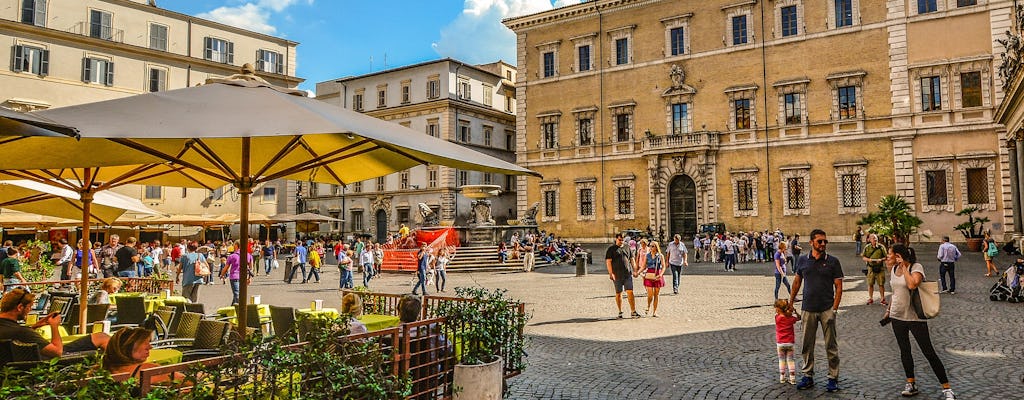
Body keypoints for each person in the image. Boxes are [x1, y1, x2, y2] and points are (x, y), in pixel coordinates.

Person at [885, 244, 958, 400]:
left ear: (898, 256)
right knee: (904, 351)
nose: (887, 257)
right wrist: (888, 310)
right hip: (897, 316)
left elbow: (912, 284)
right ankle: (911, 383)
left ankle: (947, 388)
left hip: (915, 317)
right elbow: (895, 292)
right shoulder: (892, 270)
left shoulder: (916, 267)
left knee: (928, 352)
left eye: (889, 254)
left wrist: (904, 266)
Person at [789, 229, 843, 392]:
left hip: (827, 308)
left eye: (825, 241)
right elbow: (797, 282)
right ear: (811, 242)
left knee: (831, 345)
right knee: (807, 344)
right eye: (820, 241)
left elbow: (839, 287)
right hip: (808, 308)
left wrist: (834, 309)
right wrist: (791, 302)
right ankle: (807, 375)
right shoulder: (803, 260)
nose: (823, 244)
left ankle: (833, 377)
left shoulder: (833, 261)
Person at [0, 288, 109, 359]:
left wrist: (35, 326)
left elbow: (18, 333)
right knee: (101, 337)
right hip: (51, 363)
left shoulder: (13, 329)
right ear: (20, 307)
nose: (29, 311)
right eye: (29, 308)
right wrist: (54, 326)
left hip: (14, 368)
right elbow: (57, 352)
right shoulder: (22, 332)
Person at [102, 327, 179, 383]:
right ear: (128, 346)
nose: (150, 347)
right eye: (145, 343)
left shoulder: (100, 371)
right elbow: (187, 381)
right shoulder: (147, 370)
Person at [606, 233, 639, 319]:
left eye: (622, 240)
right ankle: (620, 312)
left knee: (630, 292)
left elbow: (632, 259)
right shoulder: (611, 249)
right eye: (619, 240)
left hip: (627, 274)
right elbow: (608, 262)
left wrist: (635, 270)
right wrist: (611, 273)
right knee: (618, 293)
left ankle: (633, 311)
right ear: (616, 239)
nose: (621, 241)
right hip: (617, 275)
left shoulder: (627, 247)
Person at [774, 298, 800, 385]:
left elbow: (778, 314)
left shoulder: (777, 318)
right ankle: (792, 378)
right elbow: (799, 318)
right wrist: (795, 311)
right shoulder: (791, 318)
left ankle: (782, 377)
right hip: (790, 343)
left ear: (778, 309)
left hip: (780, 343)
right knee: (790, 360)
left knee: (781, 360)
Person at [862, 233, 888, 305]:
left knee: (881, 283)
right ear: (870, 240)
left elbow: (886, 257)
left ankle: (882, 298)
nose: (875, 239)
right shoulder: (867, 247)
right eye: (873, 238)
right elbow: (863, 257)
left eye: (876, 238)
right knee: (870, 284)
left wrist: (881, 259)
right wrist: (869, 260)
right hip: (871, 268)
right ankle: (870, 298)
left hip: (880, 267)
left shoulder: (881, 247)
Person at [642, 242, 666, 317]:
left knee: (656, 294)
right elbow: (643, 266)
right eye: (650, 246)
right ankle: (648, 306)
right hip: (649, 274)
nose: (651, 247)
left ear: (656, 247)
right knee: (650, 294)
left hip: (657, 274)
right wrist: (638, 272)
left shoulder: (660, 256)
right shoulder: (647, 255)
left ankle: (655, 311)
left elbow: (664, 266)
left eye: (652, 246)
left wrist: (661, 274)